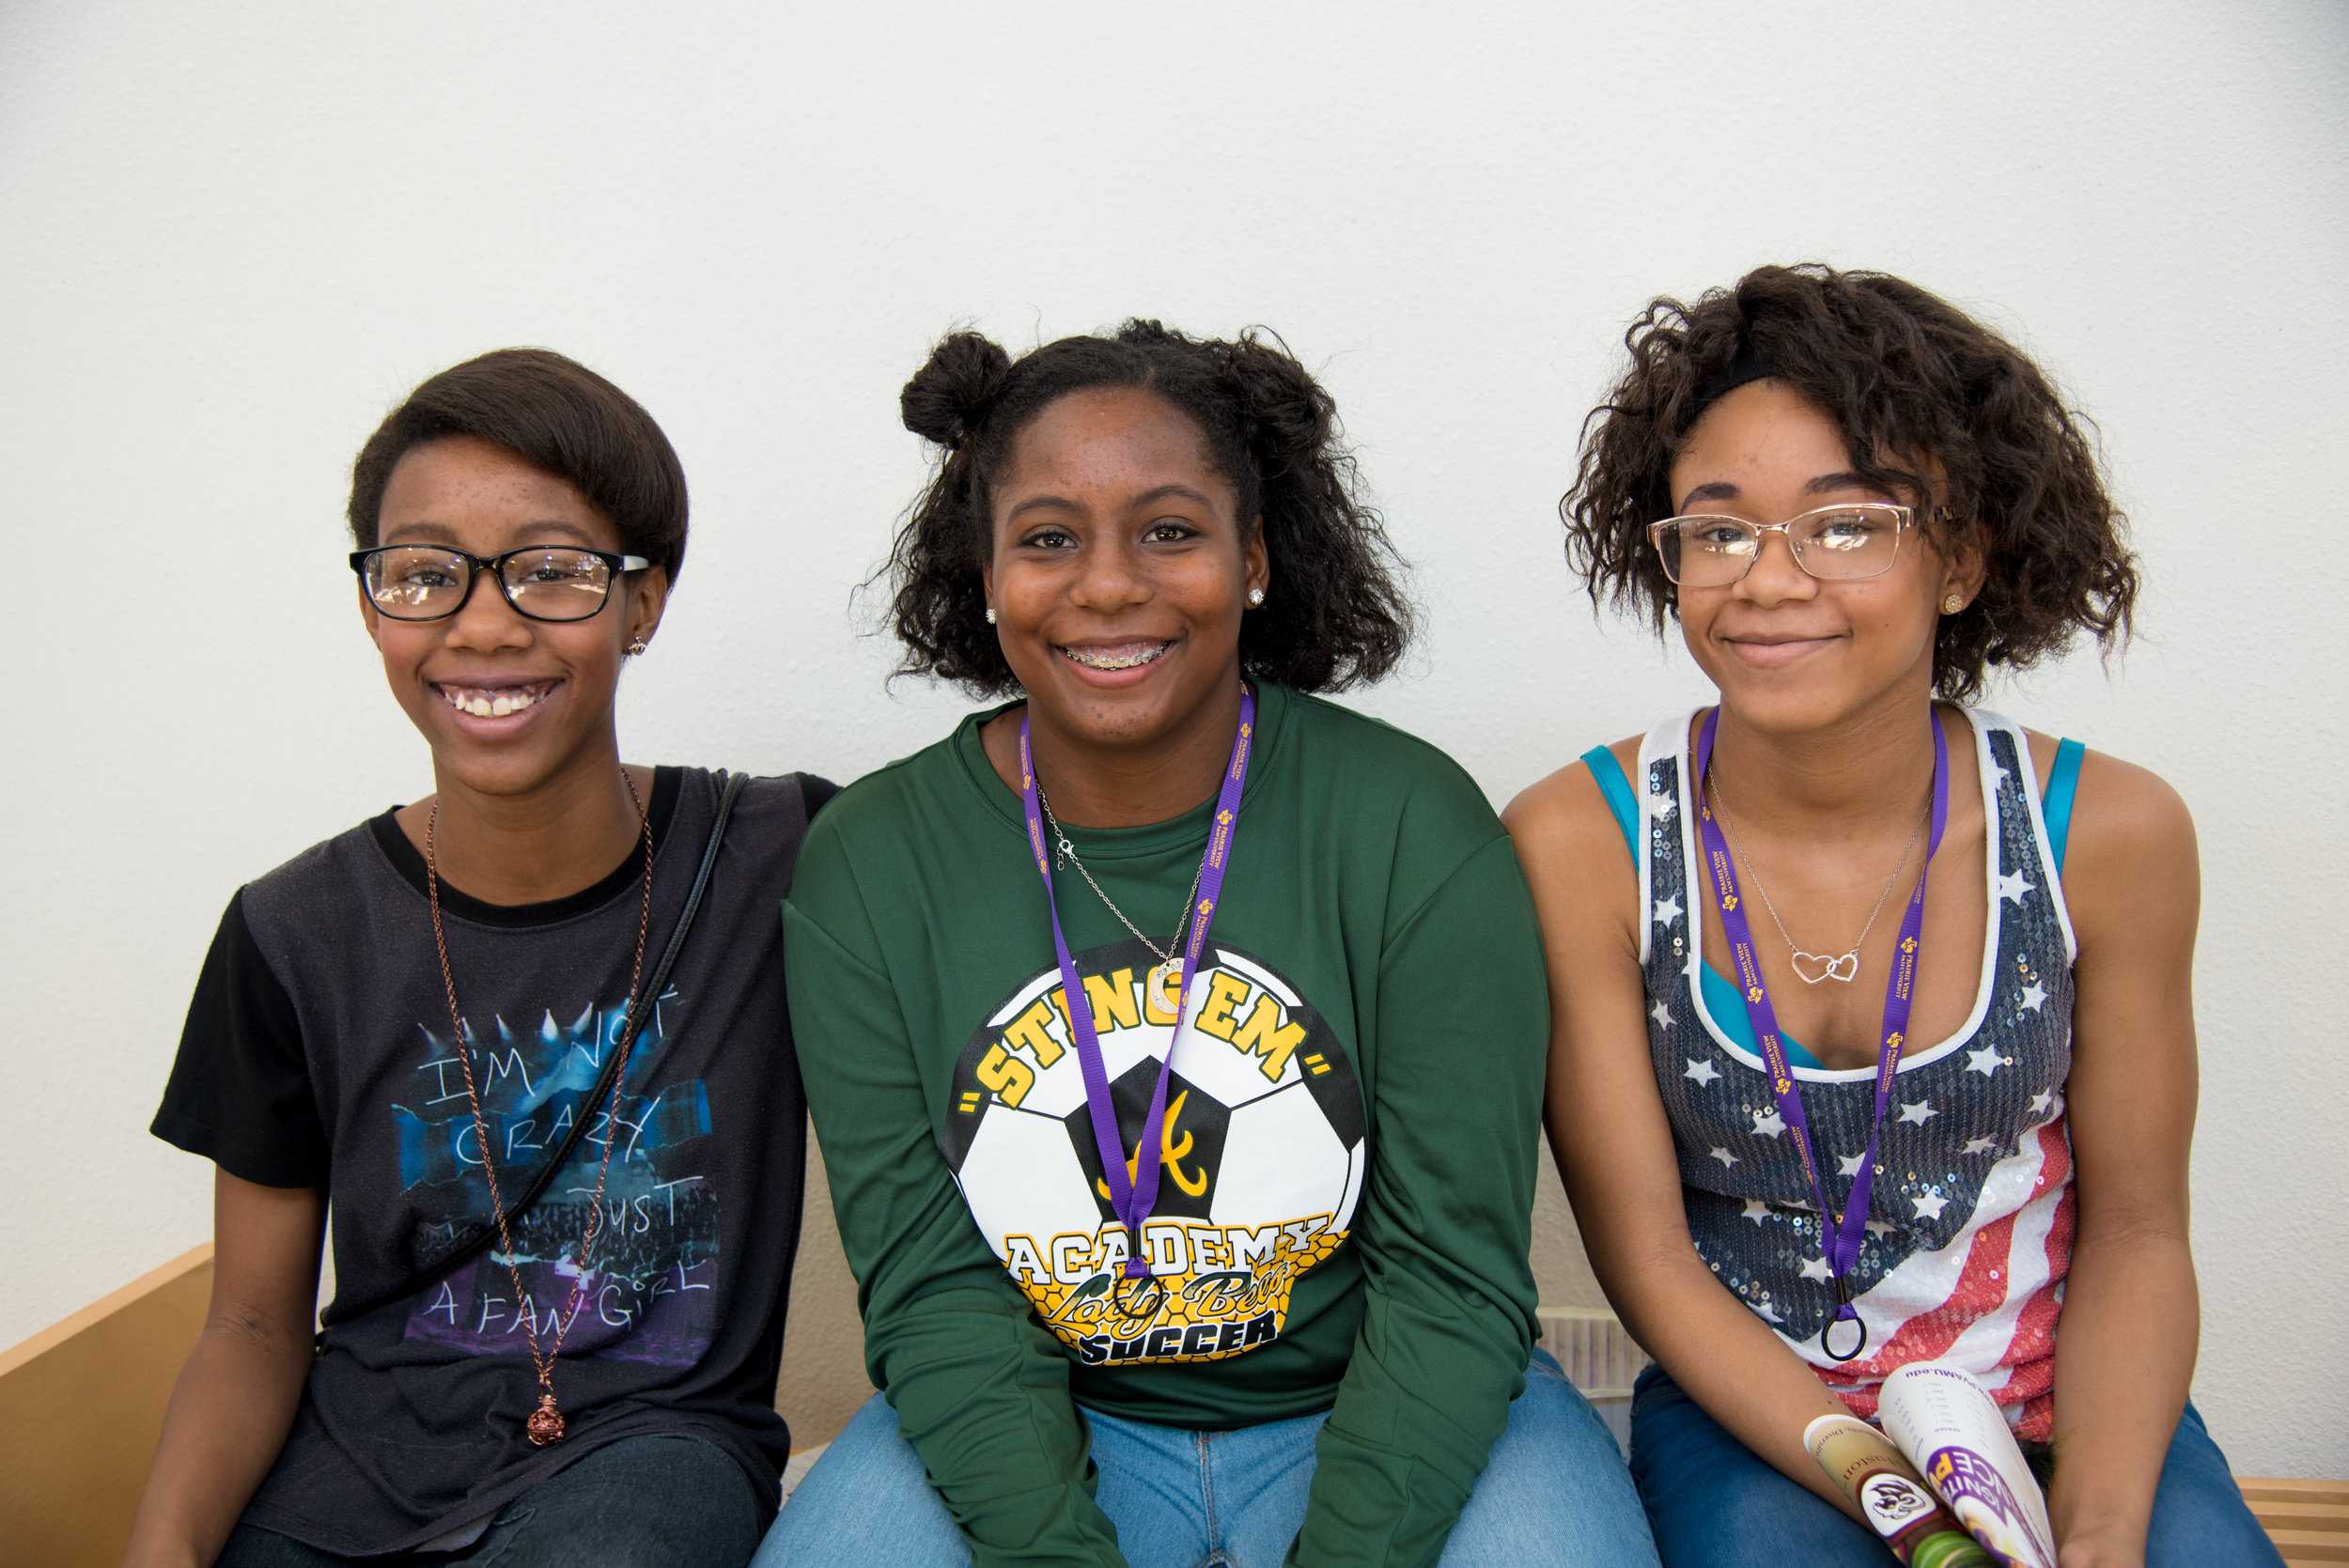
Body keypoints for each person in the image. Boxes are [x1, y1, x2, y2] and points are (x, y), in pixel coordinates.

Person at [757, 321, 1654, 1567]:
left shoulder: (1409, 825)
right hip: (1055, 1424)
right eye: (1049, 537)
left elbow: (1450, 1278)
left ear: (1257, 557)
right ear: (984, 570)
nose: (1109, 584)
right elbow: (937, 1294)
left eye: (1170, 530)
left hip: (1381, 1408)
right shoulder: (871, 863)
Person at [1507, 264, 2279, 1568]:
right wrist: (1892, 1499)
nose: (1768, 577)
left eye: (1845, 523)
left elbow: (2142, 1231)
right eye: (1718, 527)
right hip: (1763, 1419)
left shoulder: (2108, 831)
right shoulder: (1581, 841)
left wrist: (2093, 1529)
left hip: (2055, 1408)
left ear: (1965, 556)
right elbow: (1646, 1255)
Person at [127, 349, 832, 1568]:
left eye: (552, 570)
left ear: (643, 599)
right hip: (345, 1477)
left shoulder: (785, 855)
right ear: (372, 604)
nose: (485, 622)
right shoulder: (292, 933)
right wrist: (160, 1553)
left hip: (649, 1461)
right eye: (426, 574)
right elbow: (248, 1322)